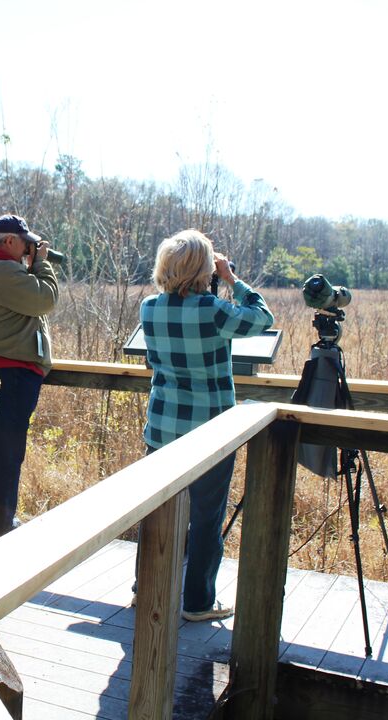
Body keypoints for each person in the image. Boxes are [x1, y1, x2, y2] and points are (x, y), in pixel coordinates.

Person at [138, 229, 273, 621]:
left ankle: (142, 589)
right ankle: (197, 602)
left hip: (162, 427)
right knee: (206, 519)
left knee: (156, 513)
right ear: (205, 268)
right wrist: (232, 279)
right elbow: (262, 318)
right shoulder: (214, 309)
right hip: (209, 432)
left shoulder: (150, 307)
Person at [0, 214, 59, 539]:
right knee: (6, 451)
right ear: (9, 241)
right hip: (10, 373)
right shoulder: (3, 270)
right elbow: (45, 299)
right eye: (25, 243)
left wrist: (29, 265)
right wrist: (42, 264)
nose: (28, 249)